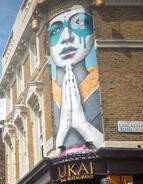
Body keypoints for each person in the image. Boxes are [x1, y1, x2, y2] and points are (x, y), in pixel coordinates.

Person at [49, 5, 103, 150]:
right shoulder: (51, 96)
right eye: (55, 31)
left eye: (79, 22)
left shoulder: (104, 85)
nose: (66, 37)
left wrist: (83, 125)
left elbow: (104, 146)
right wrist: (60, 135)